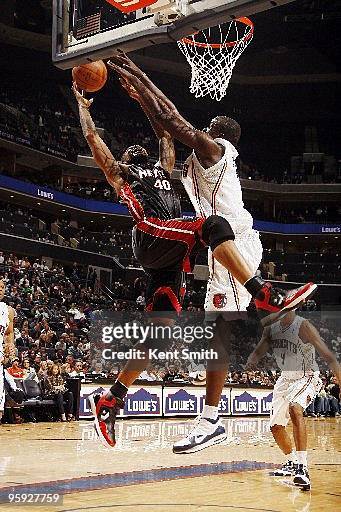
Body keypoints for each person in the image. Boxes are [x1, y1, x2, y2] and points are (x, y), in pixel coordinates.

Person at [73, 76, 316, 448]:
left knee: (162, 332)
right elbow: (97, 141)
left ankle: (112, 398)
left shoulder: (169, 168)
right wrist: (84, 108)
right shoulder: (124, 175)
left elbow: (167, 133)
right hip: (154, 234)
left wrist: (142, 96)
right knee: (211, 227)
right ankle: (263, 293)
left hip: (170, 256)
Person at [246, 310, 341, 490]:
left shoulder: (303, 326)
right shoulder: (270, 328)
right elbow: (259, 350)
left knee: (295, 408)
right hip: (285, 379)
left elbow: (328, 356)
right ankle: (291, 462)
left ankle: (302, 467)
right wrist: (252, 358)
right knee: (275, 427)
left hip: (307, 376)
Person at [0, 280, 15, 423]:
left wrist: (10, 346)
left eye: (2, 287)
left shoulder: (8, 310)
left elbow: (9, 333)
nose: (0, 289)